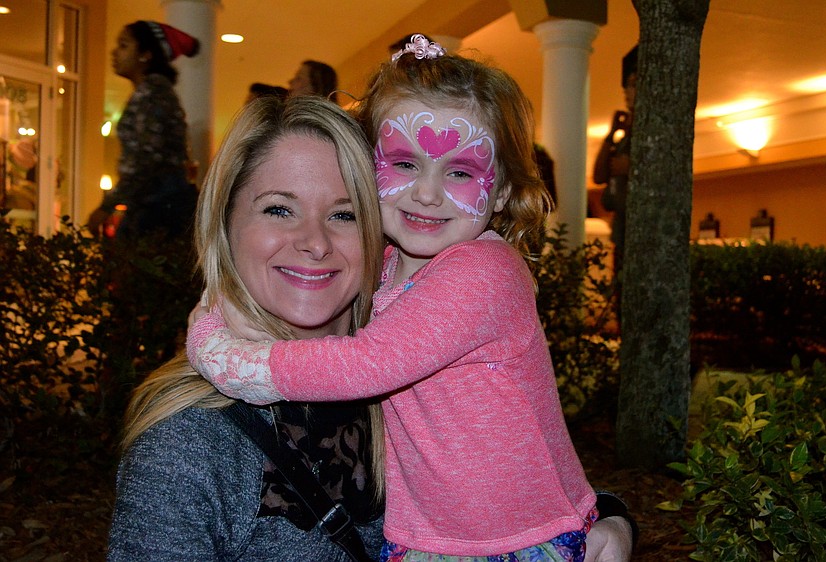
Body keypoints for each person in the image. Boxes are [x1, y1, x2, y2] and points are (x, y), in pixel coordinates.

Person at [187, 35, 634, 561]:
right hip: (432, 539)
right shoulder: (386, 267)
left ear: (505, 191)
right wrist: (218, 309)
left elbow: (364, 363)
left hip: (512, 544)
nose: (427, 192)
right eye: (403, 164)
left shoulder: (482, 271)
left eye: (461, 172)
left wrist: (221, 351)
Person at [107, 96, 387, 560]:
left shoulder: (409, 401)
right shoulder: (189, 439)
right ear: (225, 226)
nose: (315, 243)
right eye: (279, 209)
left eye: (345, 214)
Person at [87, 20, 200, 240]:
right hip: (157, 204)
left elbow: (146, 160)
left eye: (124, 45)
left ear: (146, 55)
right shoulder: (151, 92)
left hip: (159, 208)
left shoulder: (154, 94)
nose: (114, 53)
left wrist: (107, 206)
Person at [593, 45, 638, 322]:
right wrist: (611, 136)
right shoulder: (626, 136)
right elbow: (600, 175)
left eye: (632, 85)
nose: (626, 92)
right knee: (621, 294)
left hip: (639, 229)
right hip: (622, 227)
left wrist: (631, 167)